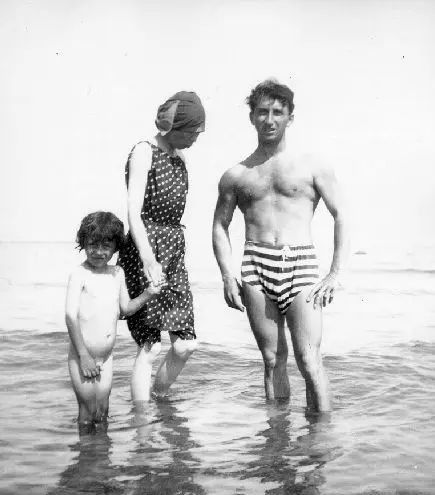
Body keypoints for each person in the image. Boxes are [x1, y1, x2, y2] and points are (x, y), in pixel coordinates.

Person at [212, 80, 349, 413]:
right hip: (255, 268)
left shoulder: (312, 165)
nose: (269, 120)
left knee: (309, 360)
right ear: (252, 118)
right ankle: (277, 443)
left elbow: (341, 214)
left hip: (300, 266)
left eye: (277, 112)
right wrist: (228, 276)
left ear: (290, 117)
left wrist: (334, 273)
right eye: (262, 112)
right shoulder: (236, 175)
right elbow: (220, 225)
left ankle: (319, 445)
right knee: (272, 359)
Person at [118, 91, 205, 401]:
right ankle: (143, 428)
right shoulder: (144, 151)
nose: (196, 137)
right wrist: (148, 260)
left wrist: (167, 257)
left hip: (173, 251)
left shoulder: (180, 157)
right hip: (146, 248)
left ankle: (158, 399)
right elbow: (134, 211)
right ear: (175, 127)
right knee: (150, 345)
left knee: (185, 344)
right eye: (193, 131)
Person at [65, 211, 161, 425]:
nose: (99, 252)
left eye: (106, 246)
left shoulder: (117, 273)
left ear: (116, 247)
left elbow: (125, 309)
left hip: (106, 359)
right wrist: (84, 356)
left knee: (103, 411)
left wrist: (148, 294)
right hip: (83, 356)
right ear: (83, 243)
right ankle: (86, 455)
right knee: (88, 411)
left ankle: (103, 455)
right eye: (92, 245)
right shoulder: (79, 274)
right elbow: (70, 316)